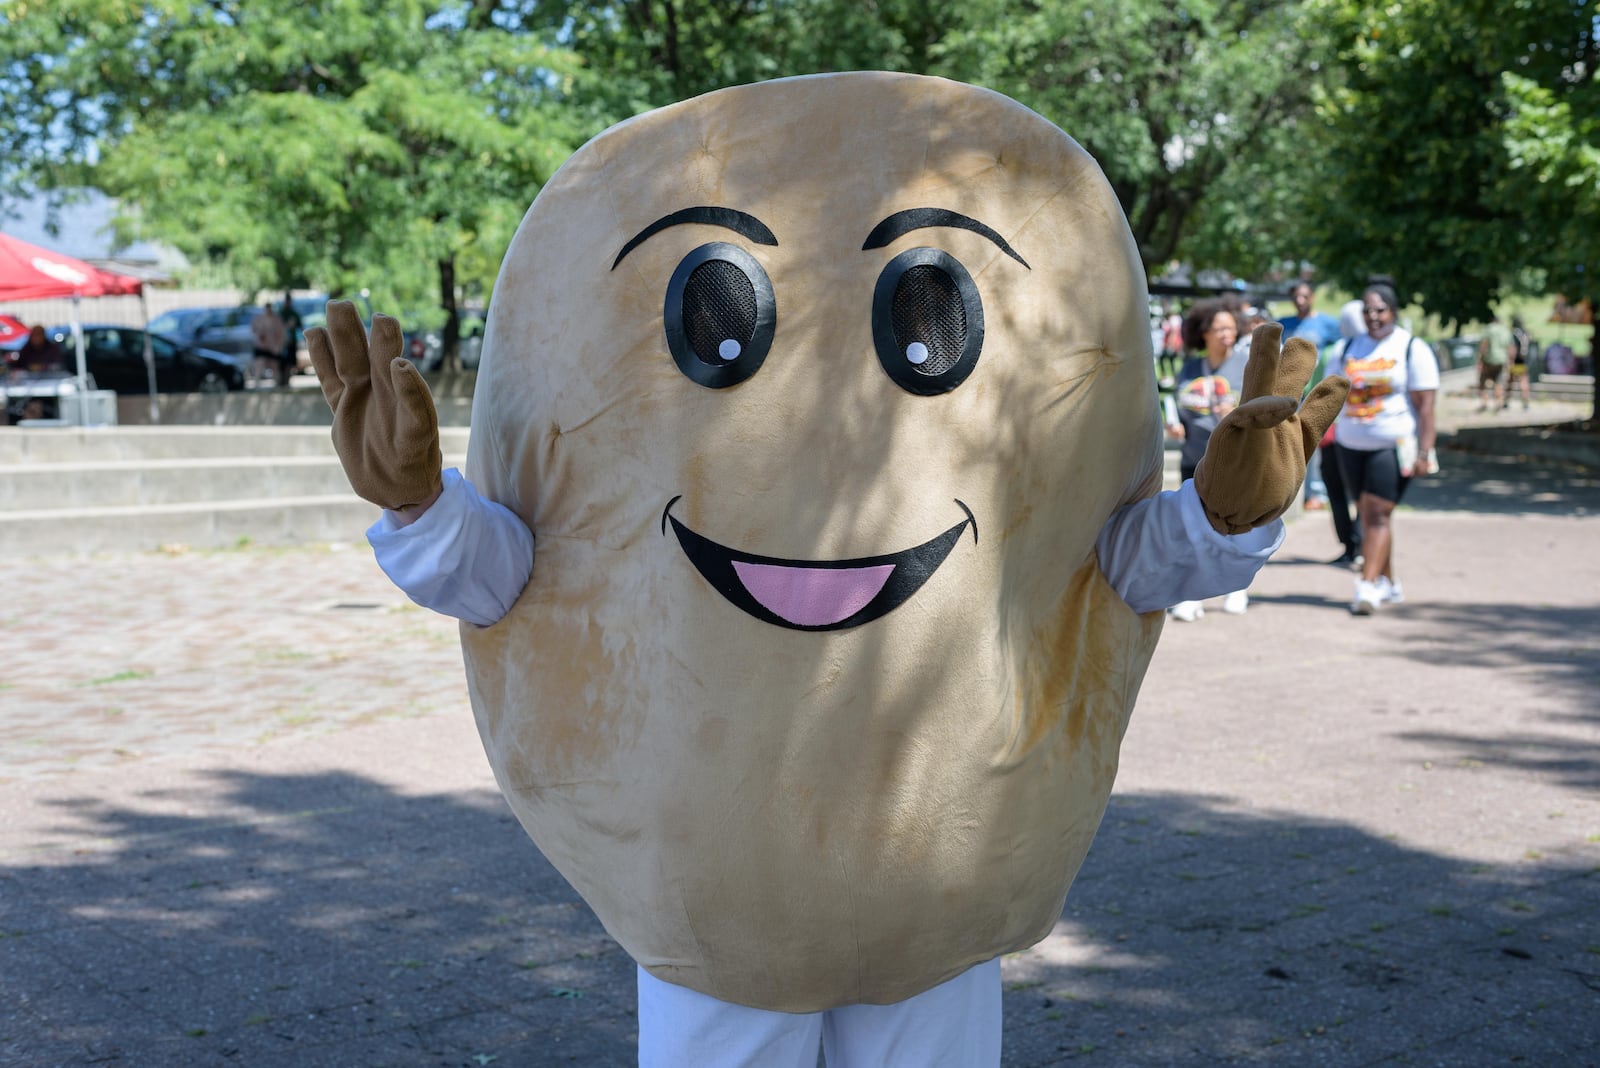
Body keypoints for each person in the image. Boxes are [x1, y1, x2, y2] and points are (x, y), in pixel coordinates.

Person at [304, 74, 1348, 1065]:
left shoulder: (1010, 456)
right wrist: (421, 505)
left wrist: (1223, 520)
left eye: (928, 321)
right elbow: (512, 580)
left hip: (937, 880)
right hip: (719, 908)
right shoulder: (619, 453)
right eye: (716, 321)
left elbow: (1111, 560)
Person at [1328, 281, 1440, 615]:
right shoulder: (1348, 346)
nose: (1373, 316)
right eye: (1367, 310)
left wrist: (1425, 451)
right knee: (1370, 513)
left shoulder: (1411, 348)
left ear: (1393, 311)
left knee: (1376, 513)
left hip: (1392, 444)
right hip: (1350, 442)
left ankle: (1367, 584)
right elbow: (1331, 393)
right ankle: (1389, 582)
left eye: (1380, 309)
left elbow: (1426, 406)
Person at [1164, 298, 1253, 621]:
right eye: (1219, 329)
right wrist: (1173, 426)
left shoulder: (1246, 365)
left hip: (1234, 460)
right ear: (1204, 333)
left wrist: (1238, 413)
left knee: (1230, 526)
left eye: (1231, 327)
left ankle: (1236, 586)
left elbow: (1261, 409)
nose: (1227, 334)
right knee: (1193, 526)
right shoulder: (1189, 368)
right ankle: (1193, 594)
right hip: (1194, 458)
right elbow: (1178, 406)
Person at [1318, 300, 1366, 568]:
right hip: (1341, 431)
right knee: (1345, 491)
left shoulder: (1338, 349)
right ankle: (1353, 544)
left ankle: (1355, 544)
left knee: (1353, 491)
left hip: (1348, 431)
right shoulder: (1339, 349)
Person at [1476, 313, 1512, 412]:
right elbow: (1510, 347)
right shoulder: (1505, 330)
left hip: (1489, 360)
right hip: (1501, 360)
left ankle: (1484, 402)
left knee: (1482, 381)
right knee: (1498, 382)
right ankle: (1498, 402)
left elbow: (1484, 345)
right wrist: (1509, 361)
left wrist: (1480, 360)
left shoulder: (1489, 329)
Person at [251, 303, 287, 387]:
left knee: (274, 365)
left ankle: (277, 384)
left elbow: (281, 334)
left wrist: (279, 346)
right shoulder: (259, 319)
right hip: (261, 347)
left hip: (273, 347)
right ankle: (257, 384)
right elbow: (254, 331)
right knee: (259, 364)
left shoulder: (276, 320)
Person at [1504, 315, 1533, 411]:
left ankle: (1506, 402)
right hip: (1524, 361)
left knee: (1510, 382)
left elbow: (1513, 348)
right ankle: (1525, 403)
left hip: (1516, 361)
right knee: (1524, 381)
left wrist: (1510, 361)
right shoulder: (1526, 333)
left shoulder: (1514, 333)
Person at [279, 295, 303, 388]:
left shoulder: (294, 313)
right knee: (282, 363)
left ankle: (287, 381)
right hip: (281, 343)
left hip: (291, 342)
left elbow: (300, 326)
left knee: (290, 363)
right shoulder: (280, 313)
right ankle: (282, 381)